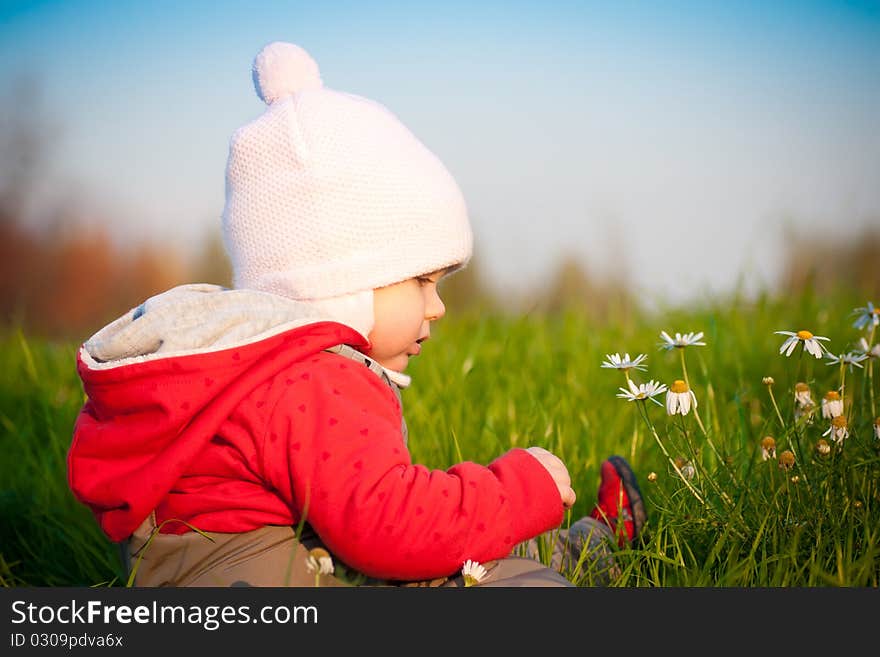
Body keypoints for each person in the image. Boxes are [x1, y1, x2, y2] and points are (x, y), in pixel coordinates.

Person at [67, 41, 646, 588]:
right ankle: (587, 553)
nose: (438, 307)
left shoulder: (252, 367)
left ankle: (588, 545)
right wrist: (518, 490)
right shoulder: (318, 379)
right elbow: (392, 528)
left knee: (457, 562)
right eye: (422, 280)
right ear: (338, 281)